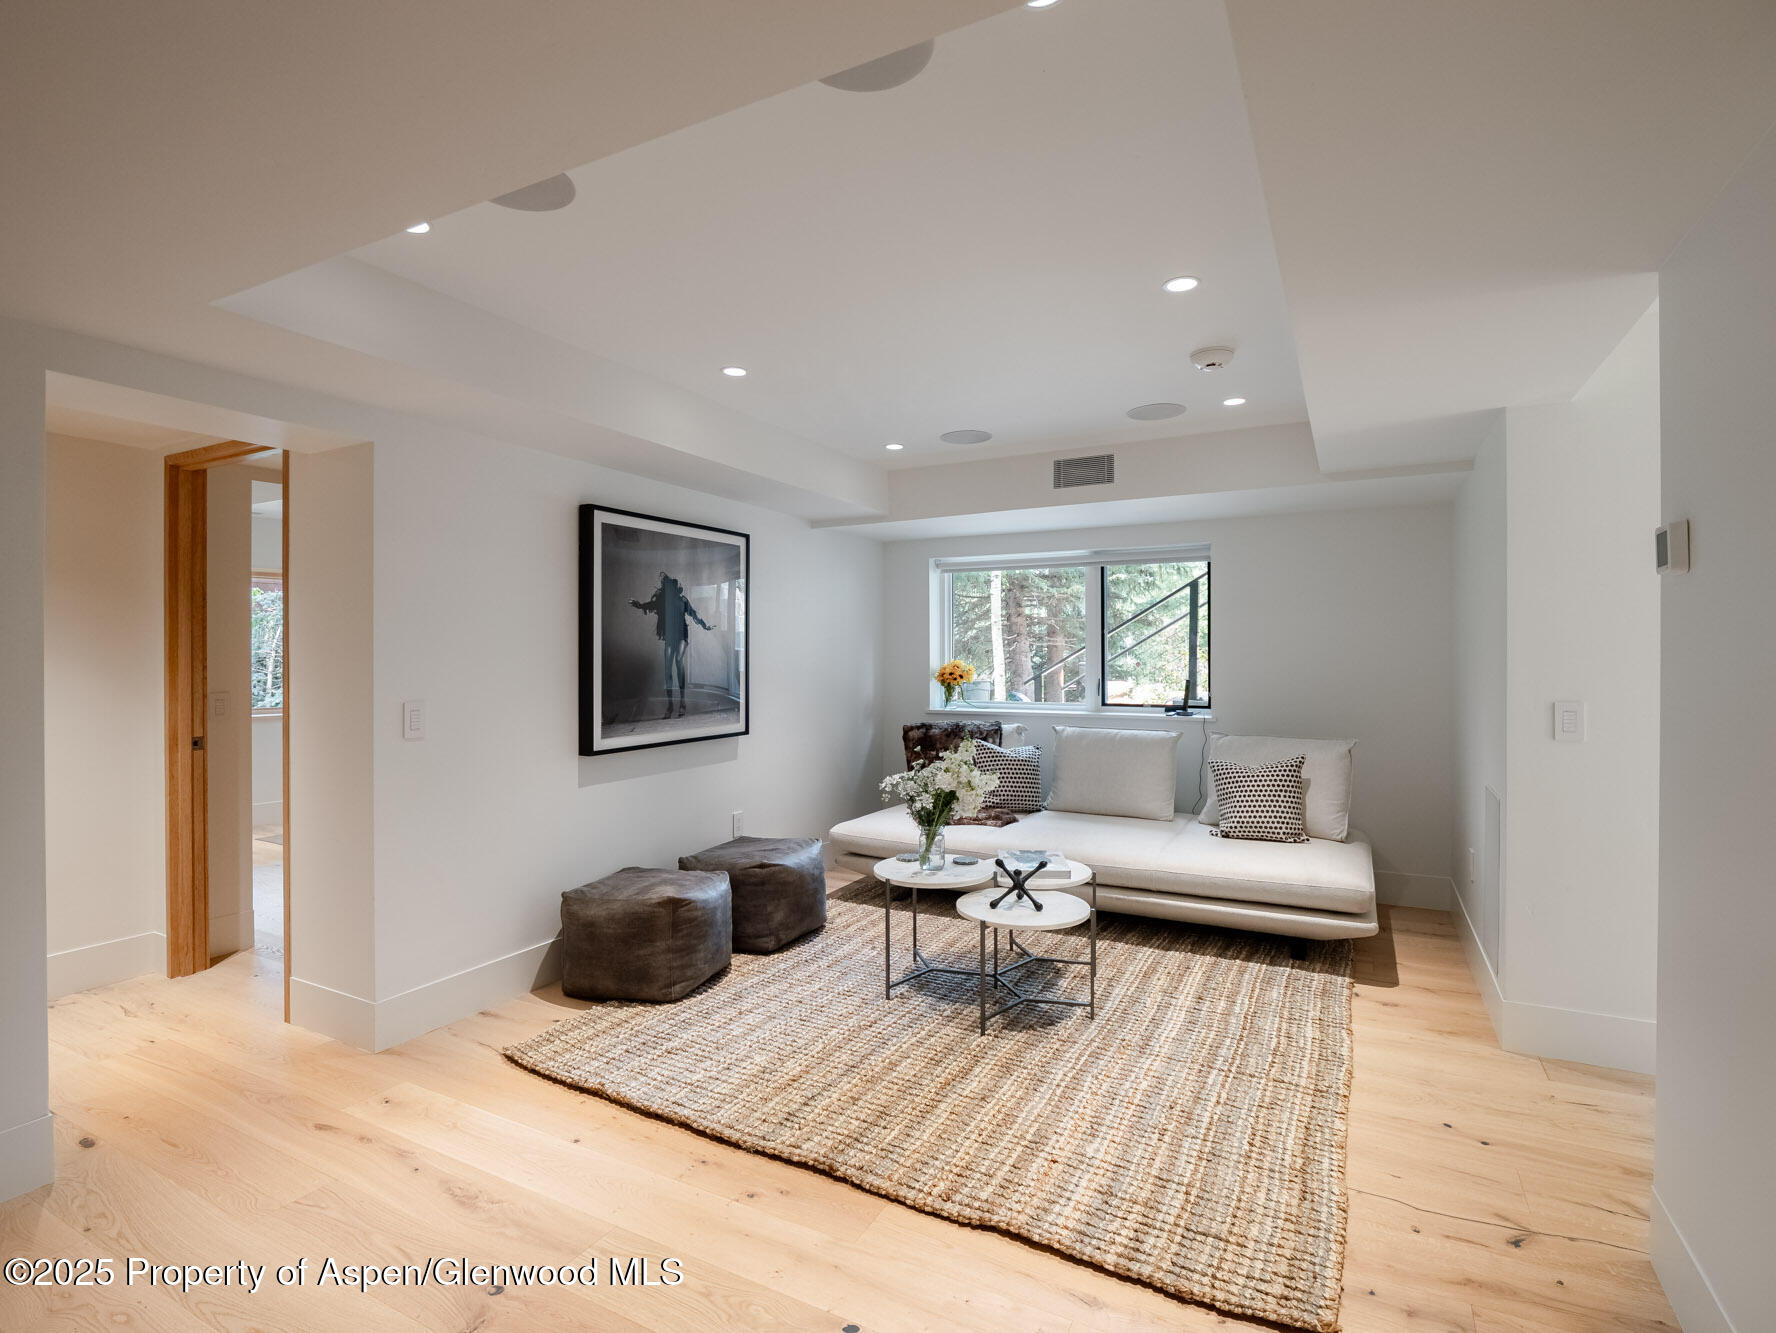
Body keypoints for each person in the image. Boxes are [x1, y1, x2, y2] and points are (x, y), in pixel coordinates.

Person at [629, 572, 714, 719]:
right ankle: (670, 705)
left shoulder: (682, 600)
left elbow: (694, 614)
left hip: (682, 635)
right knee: (668, 667)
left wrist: (705, 625)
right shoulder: (662, 601)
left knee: (679, 661)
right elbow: (648, 605)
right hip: (670, 636)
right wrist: (638, 605)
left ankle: (682, 702)